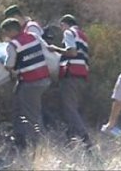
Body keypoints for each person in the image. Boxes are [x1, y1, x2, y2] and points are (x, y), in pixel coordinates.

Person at [1, 18, 52, 150]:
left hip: (30, 82)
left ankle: (37, 147)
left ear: (12, 31)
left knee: (31, 115)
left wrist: (6, 65)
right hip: (44, 79)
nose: (5, 35)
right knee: (19, 107)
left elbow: (9, 65)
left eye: (6, 32)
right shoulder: (34, 36)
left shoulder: (13, 45)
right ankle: (20, 139)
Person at [49, 14, 92, 147]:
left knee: (69, 109)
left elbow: (72, 52)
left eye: (61, 26)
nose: (61, 29)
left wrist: (55, 49)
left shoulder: (69, 32)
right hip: (81, 75)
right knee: (73, 108)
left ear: (64, 24)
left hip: (71, 74)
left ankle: (85, 139)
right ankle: (72, 140)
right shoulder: (82, 35)